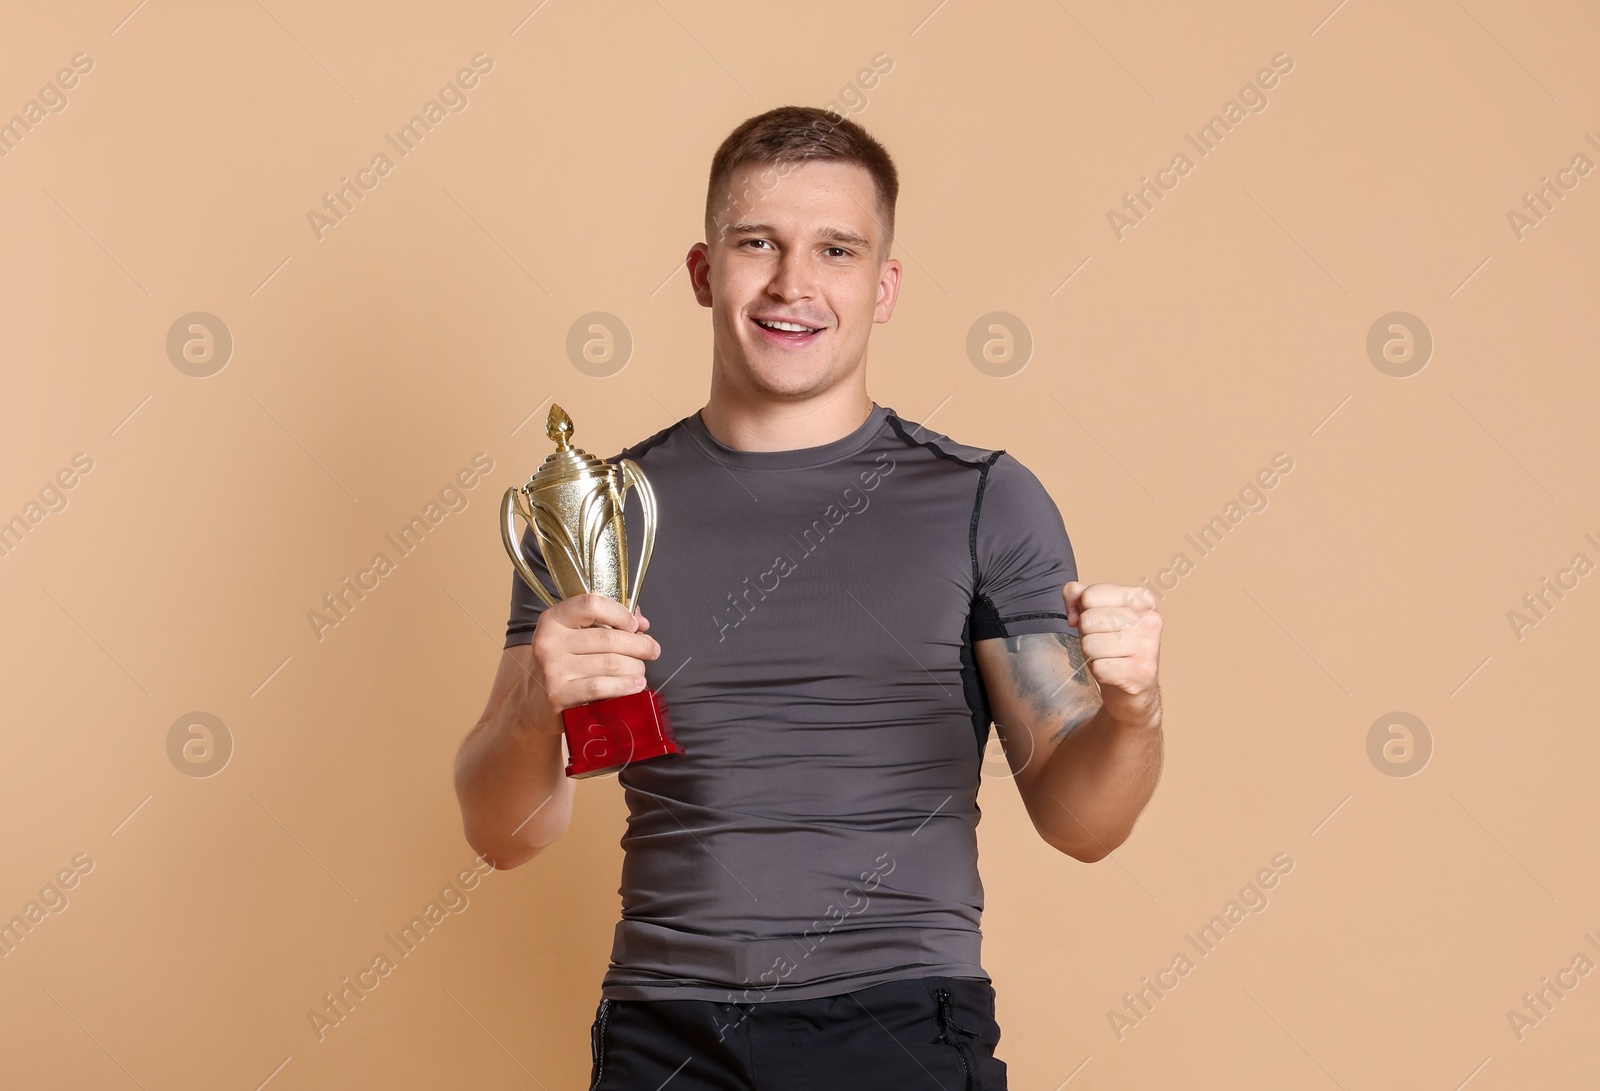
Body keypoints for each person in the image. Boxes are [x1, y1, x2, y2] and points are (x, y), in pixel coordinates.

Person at [453, 105, 1164, 1091]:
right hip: (667, 1031)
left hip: (904, 1025)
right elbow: (504, 833)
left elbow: (1081, 822)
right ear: (704, 271)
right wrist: (536, 707)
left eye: (836, 249)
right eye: (758, 243)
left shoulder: (983, 500)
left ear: (884, 286)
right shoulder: (598, 514)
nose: (793, 283)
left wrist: (1132, 711)